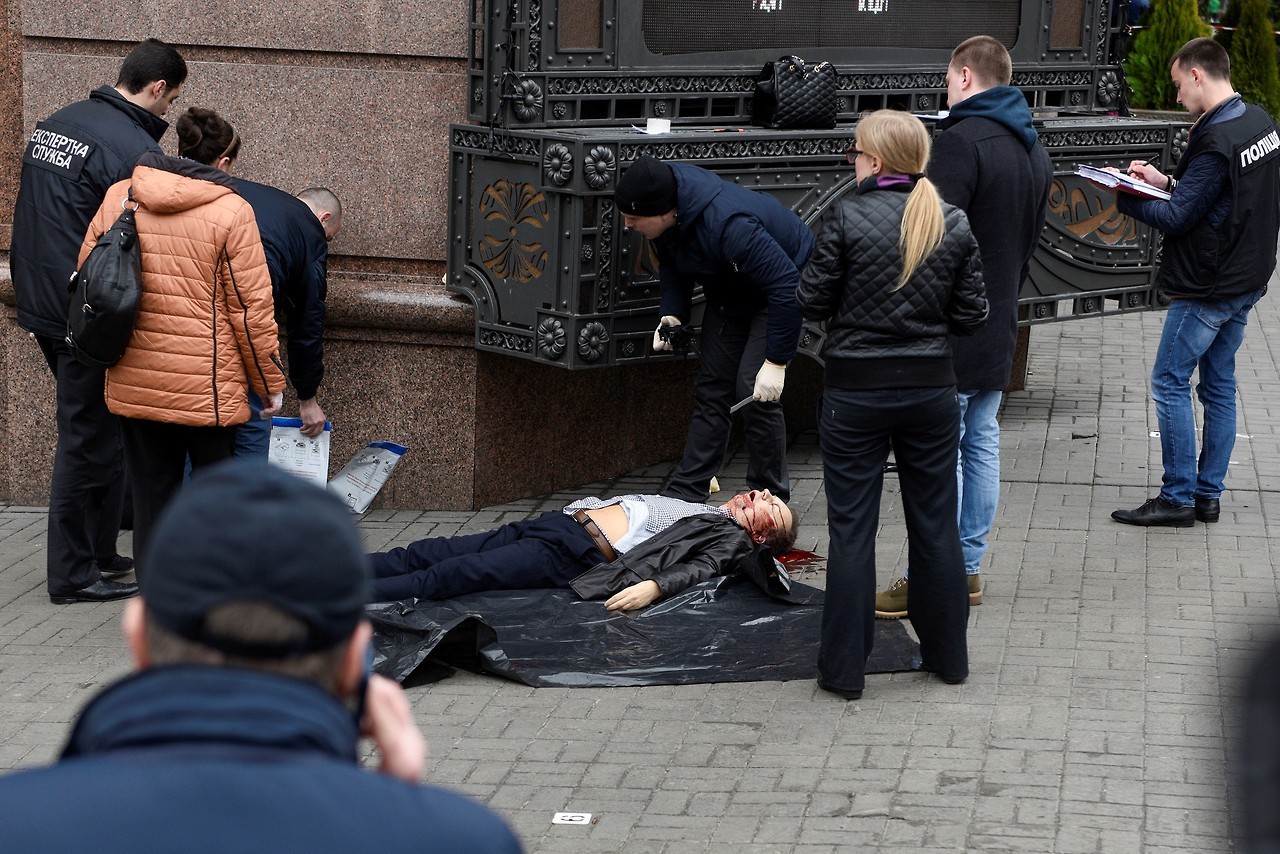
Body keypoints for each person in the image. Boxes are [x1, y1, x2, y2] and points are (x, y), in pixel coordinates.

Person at [0, 460, 522, 853]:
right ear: (357, 660)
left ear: (137, 635)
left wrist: (74, 780)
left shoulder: (18, 822)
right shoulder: (466, 839)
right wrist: (397, 805)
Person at [797, 110, 988, 700]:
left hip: (855, 391)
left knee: (852, 532)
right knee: (935, 527)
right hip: (931, 391)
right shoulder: (950, 221)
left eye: (854, 152)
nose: (851, 161)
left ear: (876, 160)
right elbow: (972, 314)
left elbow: (811, 297)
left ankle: (845, 672)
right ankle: (948, 659)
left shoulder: (847, 217)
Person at [874, 35, 1053, 620]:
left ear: (965, 77)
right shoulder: (1033, 147)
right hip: (999, 320)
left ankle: (931, 574)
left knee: (939, 455)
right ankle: (968, 568)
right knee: (980, 443)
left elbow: (929, 241)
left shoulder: (959, 144)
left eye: (948, 80)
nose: (946, 90)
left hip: (950, 329)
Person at [10, 38, 186, 604]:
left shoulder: (57, 122)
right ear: (157, 87)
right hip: (86, 315)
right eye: (171, 99)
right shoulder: (129, 148)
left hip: (42, 298)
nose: (168, 111)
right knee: (87, 440)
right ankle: (70, 576)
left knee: (104, 431)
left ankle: (102, 550)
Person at [81, 107, 287, 573]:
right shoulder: (232, 210)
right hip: (206, 391)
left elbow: (90, 277)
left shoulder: (122, 196)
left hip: (135, 379)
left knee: (152, 501)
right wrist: (269, 383)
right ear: (226, 162)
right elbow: (251, 311)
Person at [1108, 38, 1279, 527]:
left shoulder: (1216, 139)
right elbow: (1221, 194)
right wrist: (1165, 181)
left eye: (1180, 85)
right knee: (1220, 385)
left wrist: (1125, 194)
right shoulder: (1257, 121)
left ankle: (1178, 498)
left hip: (1209, 286)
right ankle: (1208, 496)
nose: (1178, 96)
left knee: (1169, 380)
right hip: (1248, 278)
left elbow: (1180, 218)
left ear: (1198, 75)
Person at [613, 156, 815, 504]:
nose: (627, 224)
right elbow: (673, 263)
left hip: (780, 287)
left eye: (634, 218)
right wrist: (672, 314)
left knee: (755, 389)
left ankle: (769, 498)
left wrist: (777, 362)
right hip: (731, 287)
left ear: (665, 212)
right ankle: (688, 492)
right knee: (712, 386)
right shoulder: (666, 214)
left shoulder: (729, 224)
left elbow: (785, 285)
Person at [369, 489, 797, 607]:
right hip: (562, 522)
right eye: (766, 493)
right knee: (432, 550)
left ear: (760, 535)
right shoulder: (707, 511)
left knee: (453, 574)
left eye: (770, 506)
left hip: (575, 552)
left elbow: (702, 567)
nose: (759, 494)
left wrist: (656, 588)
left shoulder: (731, 538)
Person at [233, 183, 343, 455]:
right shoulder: (310, 232)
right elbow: (307, 320)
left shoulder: (245, 192)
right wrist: (307, 397)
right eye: (328, 237)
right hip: (242, 330)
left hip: (181, 320)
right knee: (253, 423)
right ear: (324, 218)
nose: (324, 243)